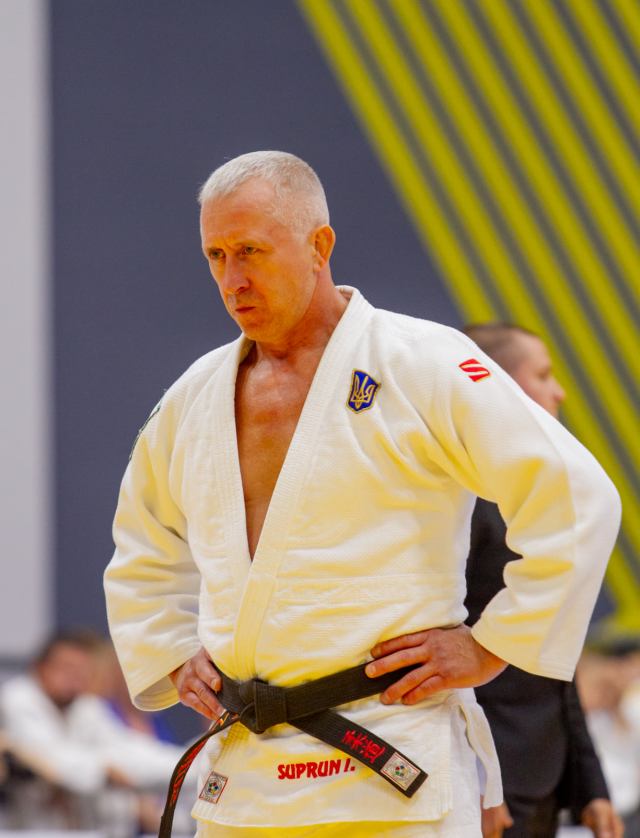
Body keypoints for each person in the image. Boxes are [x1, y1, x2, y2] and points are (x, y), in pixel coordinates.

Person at [104, 150, 621, 836]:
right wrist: (171, 649)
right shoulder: (193, 396)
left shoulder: (421, 361)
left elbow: (576, 497)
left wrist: (492, 644)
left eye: (251, 251)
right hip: (246, 774)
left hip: (391, 758)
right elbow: (141, 542)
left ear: (319, 246)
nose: (233, 279)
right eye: (216, 256)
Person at [462, 324, 623, 838]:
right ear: (499, 384)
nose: (560, 391)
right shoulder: (453, 498)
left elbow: (554, 652)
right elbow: (433, 652)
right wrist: (476, 778)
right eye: (544, 374)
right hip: (484, 785)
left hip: (543, 780)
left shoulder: (539, 495)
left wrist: (590, 782)